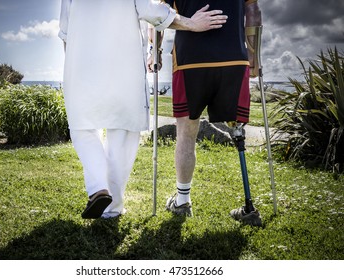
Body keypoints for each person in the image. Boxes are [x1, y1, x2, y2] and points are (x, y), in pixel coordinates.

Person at [58, 0, 228, 219]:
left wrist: (73, 68)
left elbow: (65, 33)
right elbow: (154, 12)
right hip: (123, 70)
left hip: (81, 68)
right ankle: (112, 208)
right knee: (122, 135)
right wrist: (191, 23)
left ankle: (99, 188)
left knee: (83, 129)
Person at [148, 0, 262, 219]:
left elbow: (159, 14)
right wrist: (254, 55)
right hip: (234, 58)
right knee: (238, 129)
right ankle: (249, 207)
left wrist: (156, 52)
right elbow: (253, 11)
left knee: (186, 133)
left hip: (190, 60)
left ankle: (182, 202)